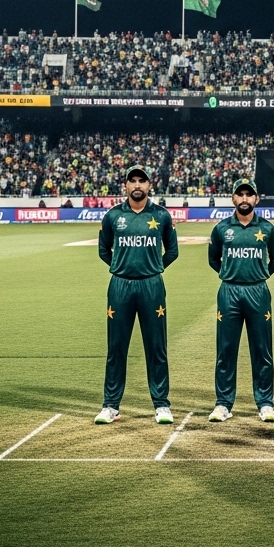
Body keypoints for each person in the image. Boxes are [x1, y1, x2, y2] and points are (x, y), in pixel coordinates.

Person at [94, 164, 179, 425]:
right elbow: (103, 250)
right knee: (116, 347)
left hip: (152, 286)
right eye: (133, 181)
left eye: (142, 181)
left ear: (150, 185)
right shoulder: (112, 216)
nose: (138, 185)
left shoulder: (162, 216)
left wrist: (151, 269)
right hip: (120, 286)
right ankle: (110, 405)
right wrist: (122, 269)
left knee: (156, 347)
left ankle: (161, 404)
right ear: (126, 186)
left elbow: (172, 252)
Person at [208, 177, 274, 423]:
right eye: (240, 195)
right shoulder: (221, 228)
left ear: (256, 199)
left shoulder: (268, 229)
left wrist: (258, 276)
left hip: (258, 292)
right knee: (226, 350)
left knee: (262, 350)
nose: (244, 199)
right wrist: (231, 275)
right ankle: (223, 403)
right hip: (229, 291)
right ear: (233, 198)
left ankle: (265, 403)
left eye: (248, 195)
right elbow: (213, 260)